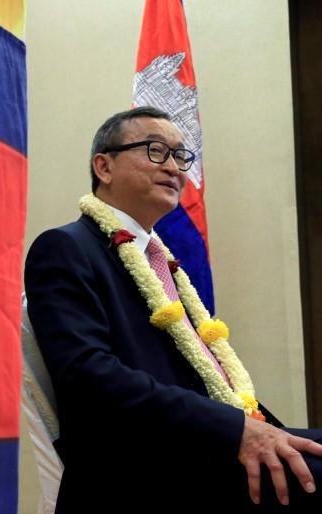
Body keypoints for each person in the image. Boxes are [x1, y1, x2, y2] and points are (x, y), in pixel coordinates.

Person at [24, 106, 322, 513]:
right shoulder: (65, 248)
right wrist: (237, 429)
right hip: (146, 469)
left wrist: (260, 428)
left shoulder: (161, 261)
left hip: (209, 446)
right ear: (103, 166)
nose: (174, 168)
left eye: (181, 156)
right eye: (156, 150)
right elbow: (89, 376)